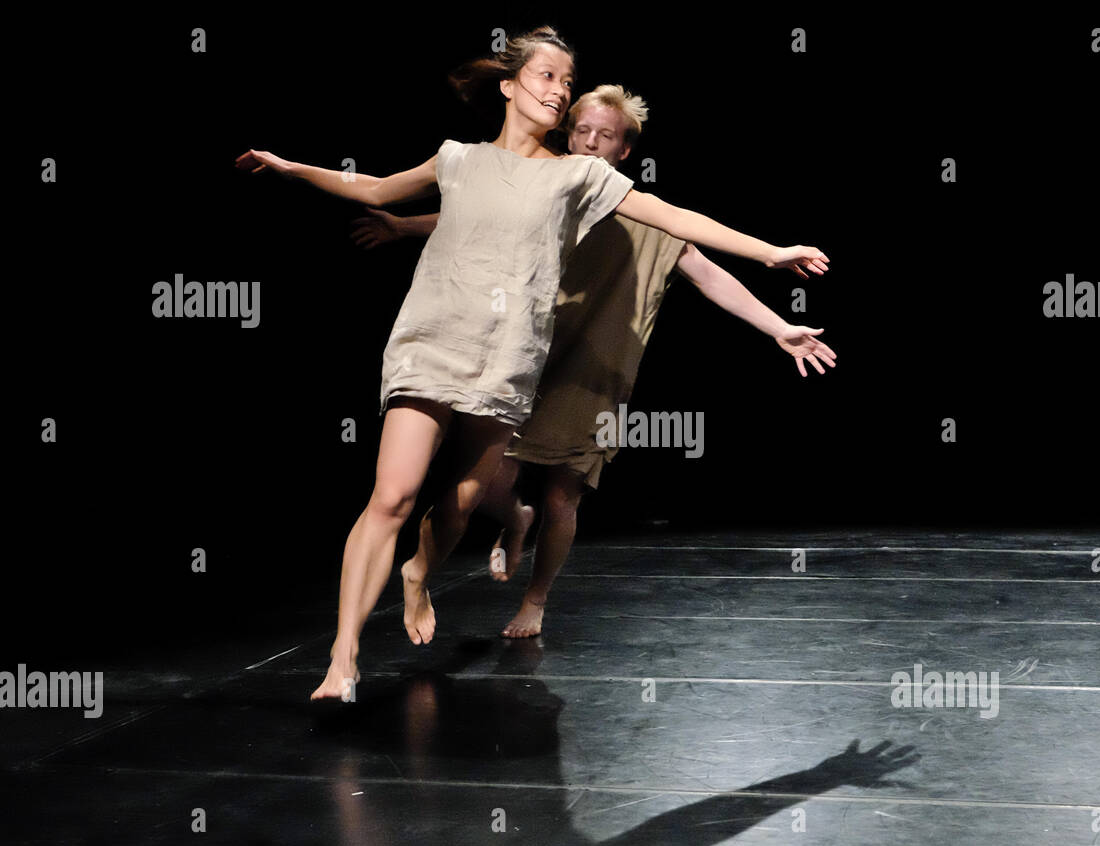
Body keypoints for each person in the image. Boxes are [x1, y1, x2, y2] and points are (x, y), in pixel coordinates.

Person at [236, 26, 828, 699]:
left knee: (461, 502)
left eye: (566, 81)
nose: (560, 91)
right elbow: (375, 190)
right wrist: (290, 168)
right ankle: (343, 659)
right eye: (548, 77)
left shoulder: (579, 175)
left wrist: (771, 253)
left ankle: (420, 575)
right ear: (510, 86)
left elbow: (673, 215)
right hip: (431, 342)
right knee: (393, 494)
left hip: (510, 361)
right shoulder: (457, 158)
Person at [351, 84, 837, 640]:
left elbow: (710, 276)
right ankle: (514, 519)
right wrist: (402, 227)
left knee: (562, 492)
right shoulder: (550, 183)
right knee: (485, 481)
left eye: (605, 136)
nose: (589, 143)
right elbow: (471, 216)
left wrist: (781, 327)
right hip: (522, 354)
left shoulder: (645, 215)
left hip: (595, 372)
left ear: (624, 150)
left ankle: (535, 600)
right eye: (581, 131)